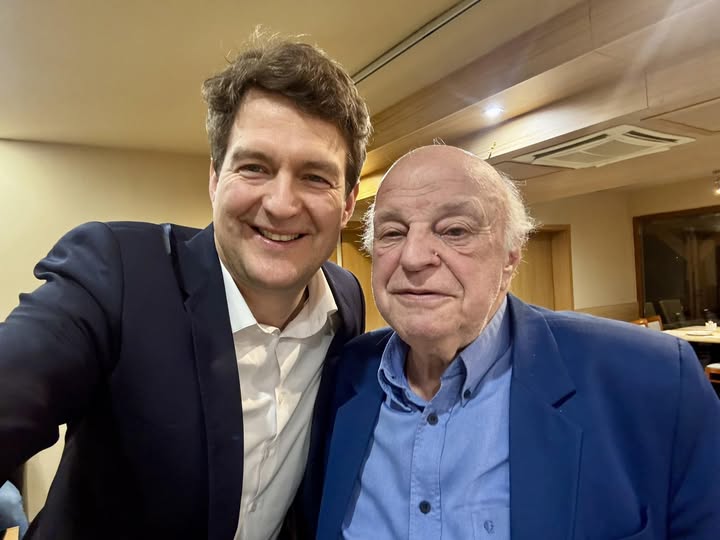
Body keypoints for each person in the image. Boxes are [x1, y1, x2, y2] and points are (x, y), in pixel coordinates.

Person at [0, 35, 371, 540]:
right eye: (255, 167)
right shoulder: (116, 274)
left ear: (347, 202)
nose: (282, 204)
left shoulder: (345, 303)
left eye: (315, 177)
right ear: (216, 178)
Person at [316, 145, 720, 540]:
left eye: (455, 230)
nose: (413, 257)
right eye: (392, 232)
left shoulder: (653, 379)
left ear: (511, 256)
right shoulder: (342, 374)